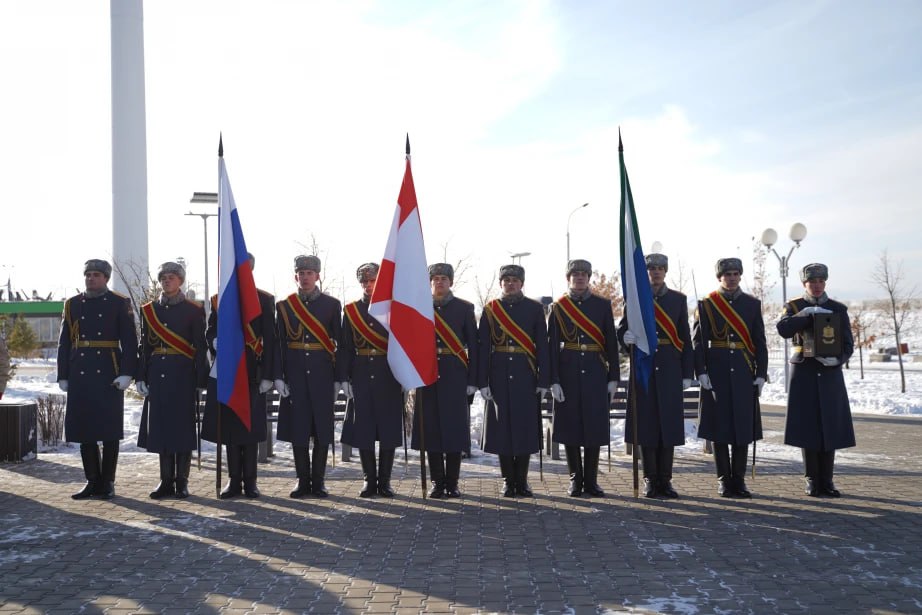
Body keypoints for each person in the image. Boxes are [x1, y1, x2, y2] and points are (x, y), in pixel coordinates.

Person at [56, 259, 137, 499]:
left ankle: (107, 482)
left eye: (96, 275)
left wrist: (127, 372)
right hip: (80, 371)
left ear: (106, 278)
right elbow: (64, 342)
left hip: (109, 370)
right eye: (88, 275)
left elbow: (130, 341)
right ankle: (92, 480)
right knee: (85, 429)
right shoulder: (72, 304)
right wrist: (63, 374)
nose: (91, 278)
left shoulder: (119, 302)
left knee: (109, 429)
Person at [202, 253, 280, 499]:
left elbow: (270, 339)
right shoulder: (219, 299)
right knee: (230, 428)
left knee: (250, 427)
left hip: (253, 371)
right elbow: (210, 330)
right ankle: (233, 480)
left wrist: (268, 374)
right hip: (229, 370)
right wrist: (214, 340)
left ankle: (251, 481)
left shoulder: (264, 299)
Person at [618, 254, 694, 498]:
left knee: (668, 426)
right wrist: (625, 338)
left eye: (660, 268)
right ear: (646, 272)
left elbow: (685, 337)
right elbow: (623, 330)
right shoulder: (635, 299)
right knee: (647, 426)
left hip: (670, 368)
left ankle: (666, 479)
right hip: (645, 368)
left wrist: (687, 372)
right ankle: (650, 479)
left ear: (666, 271)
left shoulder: (678, 300)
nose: (656, 272)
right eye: (652, 268)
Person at [777, 263, 855, 497]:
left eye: (821, 281)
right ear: (805, 284)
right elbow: (783, 329)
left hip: (829, 373)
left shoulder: (837, 309)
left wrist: (838, 360)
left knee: (829, 425)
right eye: (812, 282)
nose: (817, 285)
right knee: (808, 426)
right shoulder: (794, 307)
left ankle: (827, 480)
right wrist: (803, 316)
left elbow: (848, 344)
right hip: (805, 372)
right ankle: (812, 479)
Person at [693, 257, 768, 498]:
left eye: (736, 274)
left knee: (742, 429)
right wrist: (701, 371)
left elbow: (760, 342)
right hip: (717, 373)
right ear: (720, 277)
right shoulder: (707, 304)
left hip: (744, 372)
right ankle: (724, 480)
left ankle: (739, 480)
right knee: (720, 430)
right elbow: (698, 342)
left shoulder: (752, 304)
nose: (732, 278)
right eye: (727, 274)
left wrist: (761, 374)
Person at [548, 259, 620, 498]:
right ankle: (574, 479)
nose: (579, 277)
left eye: (583, 274)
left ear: (589, 278)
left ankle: (591, 480)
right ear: (568, 278)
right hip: (567, 372)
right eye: (575, 274)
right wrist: (553, 379)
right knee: (570, 427)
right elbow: (551, 346)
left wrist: (613, 376)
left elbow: (611, 342)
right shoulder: (558, 307)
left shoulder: (602, 305)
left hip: (595, 371)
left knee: (594, 426)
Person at [136, 261, 208, 499]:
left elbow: (200, 346)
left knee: (182, 428)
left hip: (183, 374)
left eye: (172, 278)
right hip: (158, 373)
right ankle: (165, 480)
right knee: (162, 427)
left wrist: (201, 379)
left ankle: (182, 481)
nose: (167, 281)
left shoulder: (194, 309)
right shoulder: (149, 310)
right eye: (163, 278)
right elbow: (145, 345)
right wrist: (141, 375)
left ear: (180, 281)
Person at [478, 264, 550, 497]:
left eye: (515, 280)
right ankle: (508, 481)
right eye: (506, 280)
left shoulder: (534, 309)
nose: (510, 284)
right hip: (498, 375)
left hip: (525, 374)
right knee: (503, 430)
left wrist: (544, 380)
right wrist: (482, 381)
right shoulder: (491, 309)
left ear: (522, 283)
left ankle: (522, 480)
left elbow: (543, 346)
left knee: (524, 428)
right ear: (501, 284)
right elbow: (483, 348)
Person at [275, 255, 341, 498]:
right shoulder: (284, 306)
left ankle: (319, 481)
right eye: (301, 274)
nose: (305, 278)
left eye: (309, 274)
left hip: (322, 375)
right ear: (296, 277)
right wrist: (279, 376)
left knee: (322, 429)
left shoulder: (331, 305)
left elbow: (340, 344)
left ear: (317, 276)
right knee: (299, 429)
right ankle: (302, 480)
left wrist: (338, 378)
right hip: (295, 374)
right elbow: (279, 343)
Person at [411, 263, 478, 498]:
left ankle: (453, 483)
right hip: (427, 374)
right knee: (431, 431)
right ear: (430, 282)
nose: (439, 282)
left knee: (454, 430)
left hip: (455, 374)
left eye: (444, 279)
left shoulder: (464, 308)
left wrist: (473, 379)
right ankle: (437, 483)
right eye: (436, 278)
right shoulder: (419, 307)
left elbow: (474, 346)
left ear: (451, 282)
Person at [337, 263, 403, 498]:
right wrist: (344, 378)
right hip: (361, 373)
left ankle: (385, 481)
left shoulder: (394, 309)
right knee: (363, 429)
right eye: (364, 281)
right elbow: (345, 347)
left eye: (372, 280)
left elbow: (403, 343)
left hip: (388, 374)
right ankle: (368, 480)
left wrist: (405, 374)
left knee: (388, 429)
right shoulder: (352, 310)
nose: (368, 285)